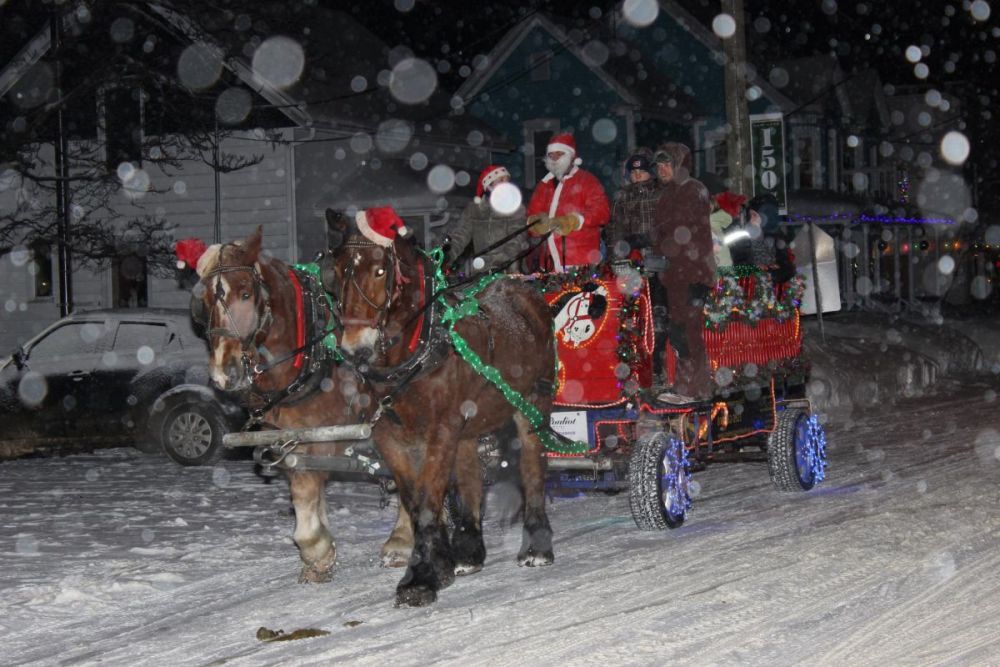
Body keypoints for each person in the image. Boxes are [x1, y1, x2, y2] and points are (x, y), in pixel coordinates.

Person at [650, 142, 716, 403]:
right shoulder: (667, 194)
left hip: (693, 273)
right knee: (677, 330)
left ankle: (697, 386)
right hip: (674, 275)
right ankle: (685, 381)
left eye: (667, 164)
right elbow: (662, 233)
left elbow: (679, 228)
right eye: (658, 165)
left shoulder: (693, 190)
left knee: (689, 329)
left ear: (679, 165)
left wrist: (657, 241)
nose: (661, 169)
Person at [526, 133, 610, 272]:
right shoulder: (544, 185)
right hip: (549, 264)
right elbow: (532, 214)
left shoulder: (587, 181)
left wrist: (575, 220)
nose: (554, 159)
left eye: (559, 154)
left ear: (570, 156)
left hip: (580, 263)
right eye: (551, 155)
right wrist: (535, 224)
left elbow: (602, 212)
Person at [444, 165, 528, 274]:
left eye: (507, 180)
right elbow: (460, 236)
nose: (507, 185)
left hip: (509, 270)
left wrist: (496, 260)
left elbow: (516, 240)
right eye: (501, 180)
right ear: (489, 186)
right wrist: (446, 257)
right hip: (481, 272)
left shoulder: (516, 209)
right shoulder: (474, 210)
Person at [608, 150, 662, 261]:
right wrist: (617, 254)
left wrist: (652, 238)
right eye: (633, 172)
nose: (637, 175)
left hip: (659, 252)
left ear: (650, 173)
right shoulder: (622, 197)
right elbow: (616, 227)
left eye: (642, 171)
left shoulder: (660, 193)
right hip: (632, 254)